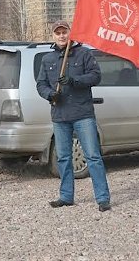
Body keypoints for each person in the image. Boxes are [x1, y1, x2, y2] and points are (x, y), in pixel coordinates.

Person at [36, 21, 111, 211]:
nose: (61, 36)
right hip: (60, 115)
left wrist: (74, 80)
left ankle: (102, 198)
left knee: (92, 156)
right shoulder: (48, 59)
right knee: (63, 158)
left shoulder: (84, 54)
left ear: (70, 33)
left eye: (64, 32)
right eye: (57, 33)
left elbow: (96, 76)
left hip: (82, 114)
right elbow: (41, 84)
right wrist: (49, 94)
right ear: (53, 35)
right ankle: (66, 196)